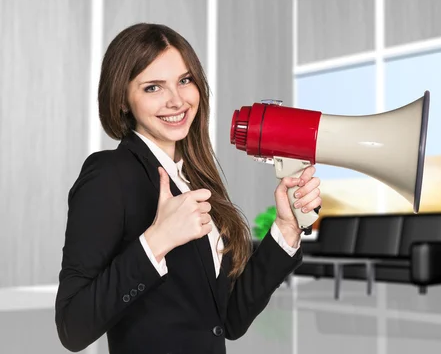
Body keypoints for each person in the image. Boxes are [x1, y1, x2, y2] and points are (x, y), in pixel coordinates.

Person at [54, 23, 321, 354]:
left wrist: (287, 227)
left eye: (184, 80)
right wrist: (157, 241)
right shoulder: (108, 175)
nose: (176, 100)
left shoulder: (196, 179)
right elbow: (72, 327)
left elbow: (229, 321)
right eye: (153, 87)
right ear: (123, 100)